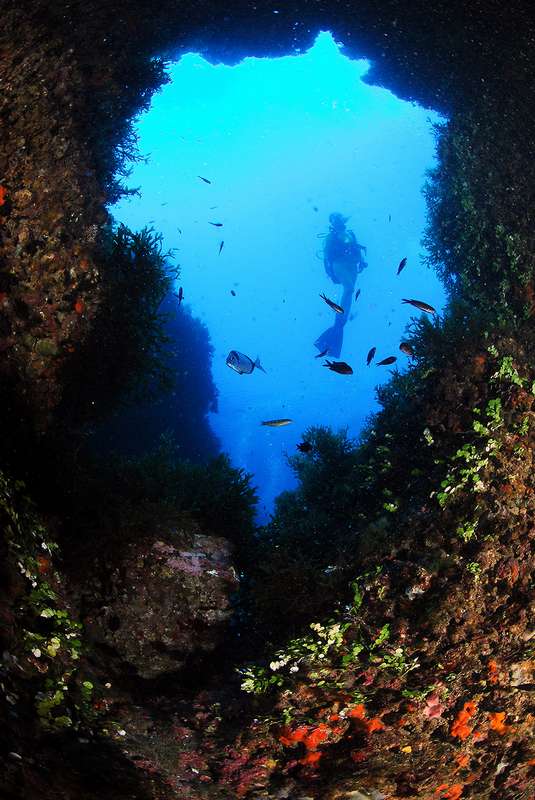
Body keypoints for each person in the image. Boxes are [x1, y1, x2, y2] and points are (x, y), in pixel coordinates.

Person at [314, 212, 367, 358]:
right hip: (339, 265)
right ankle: (339, 321)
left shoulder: (350, 234)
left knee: (350, 291)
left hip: (352, 265)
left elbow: (357, 248)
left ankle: (338, 326)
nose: (339, 223)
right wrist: (331, 273)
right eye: (337, 221)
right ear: (333, 223)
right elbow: (327, 257)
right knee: (349, 288)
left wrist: (361, 262)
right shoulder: (330, 237)